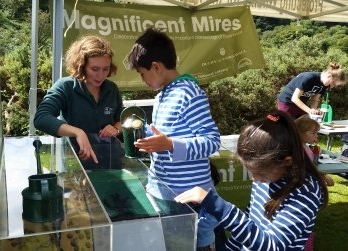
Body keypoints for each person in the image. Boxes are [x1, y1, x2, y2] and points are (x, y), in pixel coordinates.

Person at [174, 110, 329, 251]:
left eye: (260, 173)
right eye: (251, 172)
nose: (254, 180)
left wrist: (217, 205)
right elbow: (250, 224)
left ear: (286, 161)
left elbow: (271, 245)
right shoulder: (266, 180)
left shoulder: (305, 192)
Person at [127, 28, 221, 251]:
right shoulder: (162, 96)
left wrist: (170, 144)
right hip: (166, 195)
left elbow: (212, 141)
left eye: (142, 73)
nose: (143, 80)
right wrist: (146, 139)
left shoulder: (190, 93)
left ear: (156, 67)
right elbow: (166, 134)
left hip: (189, 199)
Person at [34, 35, 123, 170]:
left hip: (111, 163)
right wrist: (78, 132)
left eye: (106, 68)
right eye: (95, 69)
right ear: (81, 66)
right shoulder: (65, 86)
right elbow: (41, 118)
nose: (101, 75)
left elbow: (121, 119)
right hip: (76, 164)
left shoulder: (112, 89)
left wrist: (116, 129)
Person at [277, 62, 346, 118]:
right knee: (288, 127)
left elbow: (314, 99)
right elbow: (294, 98)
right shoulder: (308, 78)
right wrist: (309, 111)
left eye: (335, 85)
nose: (332, 86)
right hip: (287, 102)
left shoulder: (325, 85)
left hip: (301, 104)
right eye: (333, 83)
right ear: (329, 76)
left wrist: (314, 112)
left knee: (304, 127)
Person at [294, 114, 334, 186]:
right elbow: (307, 172)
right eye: (313, 133)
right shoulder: (304, 151)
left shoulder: (296, 146)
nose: (317, 135)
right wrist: (325, 178)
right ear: (301, 133)